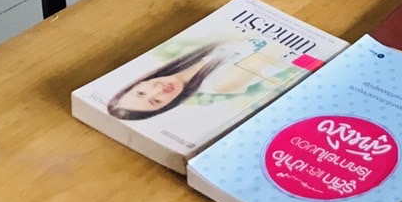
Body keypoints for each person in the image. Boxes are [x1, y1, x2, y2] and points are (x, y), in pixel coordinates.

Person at [107, 39, 297, 120]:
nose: (157, 91)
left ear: (138, 83)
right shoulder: (219, 84)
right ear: (168, 105)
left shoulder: (184, 55)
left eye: (141, 93)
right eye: (156, 101)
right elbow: (278, 45)